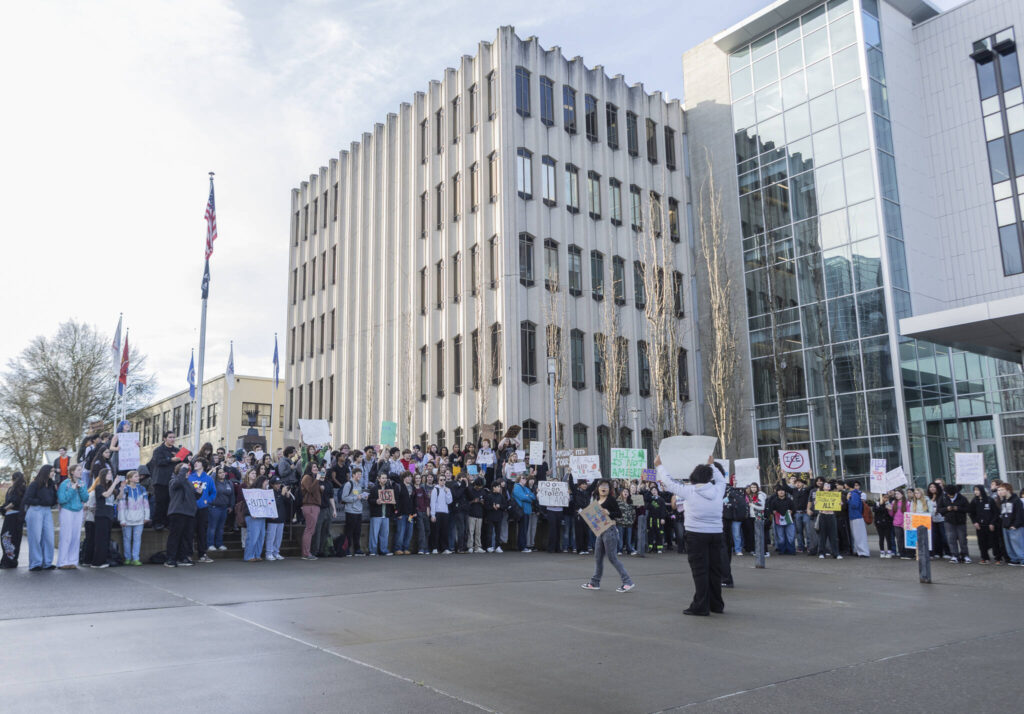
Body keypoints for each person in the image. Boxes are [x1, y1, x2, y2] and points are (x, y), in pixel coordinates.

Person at [657, 458, 725, 615]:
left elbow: (668, 482)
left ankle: (701, 605)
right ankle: (717, 604)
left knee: (700, 571)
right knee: (715, 569)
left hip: (696, 534)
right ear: (709, 477)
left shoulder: (689, 490)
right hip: (716, 533)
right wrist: (711, 464)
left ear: (693, 477)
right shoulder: (718, 490)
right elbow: (721, 478)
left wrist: (659, 465)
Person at [580, 479, 636, 593]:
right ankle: (595, 582)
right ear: (598, 488)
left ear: (609, 489)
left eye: (606, 486)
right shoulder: (597, 499)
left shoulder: (611, 500)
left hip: (610, 531)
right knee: (598, 557)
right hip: (600, 531)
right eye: (601, 486)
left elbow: (619, 514)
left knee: (612, 558)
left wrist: (609, 513)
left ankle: (627, 582)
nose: (603, 488)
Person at [23, 465, 58, 571]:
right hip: (35, 510)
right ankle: (35, 563)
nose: (53, 473)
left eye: (54, 471)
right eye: (51, 471)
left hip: (47, 511)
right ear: (45, 472)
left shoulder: (51, 485)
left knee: (49, 538)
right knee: (35, 538)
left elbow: (53, 499)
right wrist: (41, 502)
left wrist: (52, 502)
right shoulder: (34, 484)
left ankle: (47, 563)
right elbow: (27, 499)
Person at [56, 464, 89, 569]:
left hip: (78, 511)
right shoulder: (64, 484)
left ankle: (73, 561)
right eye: (79, 470)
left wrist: (80, 489)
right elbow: (62, 500)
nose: (81, 472)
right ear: (72, 472)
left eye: (81, 470)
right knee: (66, 536)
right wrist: (72, 489)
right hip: (67, 511)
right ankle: (62, 562)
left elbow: (85, 498)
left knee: (76, 536)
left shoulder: (82, 483)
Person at [165, 463, 197, 567]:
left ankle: (183, 557)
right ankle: (170, 559)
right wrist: (183, 469)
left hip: (189, 512)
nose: (187, 473)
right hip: (178, 512)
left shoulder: (189, 483)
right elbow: (177, 483)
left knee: (186, 537)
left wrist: (199, 493)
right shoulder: (174, 480)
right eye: (185, 471)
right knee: (175, 536)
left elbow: (192, 497)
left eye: (188, 471)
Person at [89, 468, 123, 568]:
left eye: (111, 473)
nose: (110, 475)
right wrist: (115, 483)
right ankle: (96, 562)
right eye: (108, 473)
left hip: (109, 515)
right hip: (101, 515)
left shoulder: (110, 487)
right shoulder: (99, 487)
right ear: (103, 475)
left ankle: (103, 560)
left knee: (106, 539)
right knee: (100, 539)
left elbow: (119, 497)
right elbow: (106, 494)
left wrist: (121, 488)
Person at [151, 430, 183, 530]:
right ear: (165, 438)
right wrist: (171, 459)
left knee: (172, 502)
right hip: (161, 481)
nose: (172, 439)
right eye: (170, 437)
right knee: (161, 502)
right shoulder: (158, 450)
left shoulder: (178, 450)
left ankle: (168, 522)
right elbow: (158, 462)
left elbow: (183, 463)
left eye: (174, 437)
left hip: (173, 481)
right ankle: (157, 522)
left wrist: (186, 459)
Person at [118, 470, 150, 566]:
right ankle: (127, 558)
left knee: (137, 539)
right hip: (127, 519)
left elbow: (146, 504)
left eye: (138, 476)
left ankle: (136, 558)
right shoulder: (125, 489)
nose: (138, 478)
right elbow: (121, 505)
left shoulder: (142, 489)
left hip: (139, 519)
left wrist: (147, 516)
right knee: (127, 539)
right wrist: (122, 519)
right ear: (130, 478)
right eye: (136, 476)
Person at [189, 459, 216, 563]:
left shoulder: (208, 479)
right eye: (195, 462)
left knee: (202, 532)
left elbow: (213, 493)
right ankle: (188, 554)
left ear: (203, 465)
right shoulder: (190, 477)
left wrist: (207, 501)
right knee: (189, 532)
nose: (195, 464)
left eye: (198, 462)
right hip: (191, 509)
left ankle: (202, 554)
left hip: (203, 509)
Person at [938, 484, 970, 564]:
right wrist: (947, 509)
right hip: (949, 521)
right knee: (951, 539)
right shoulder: (943, 498)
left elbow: (968, 508)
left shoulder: (962, 498)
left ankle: (965, 555)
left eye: (952, 495)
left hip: (961, 521)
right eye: (949, 494)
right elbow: (939, 509)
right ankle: (954, 555)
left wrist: (958, 508)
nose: (950, 496)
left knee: (962, 539)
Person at [341, 462, 368, 556]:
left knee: (357, 532)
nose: (360, 476)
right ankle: (347, 549)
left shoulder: (359, 485)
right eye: (358, 474)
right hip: (350, 511)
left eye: (361, 474)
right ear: (353, 475)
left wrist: (364, 497)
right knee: (349, 531)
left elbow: (358, 496)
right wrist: (357, 498)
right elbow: (344, 498)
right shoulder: (348, 484)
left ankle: (357, 549)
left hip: (358, 511)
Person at [1, 472, 27, 569]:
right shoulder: (11, 489)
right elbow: (8, 502)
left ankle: (10, 561)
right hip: (10, 516)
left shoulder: (21, 488)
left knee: (9, 537)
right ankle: (9, 559)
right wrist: (3, 508)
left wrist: (4, 508)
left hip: (15, 516)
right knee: (8, 537)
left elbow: (14, 502)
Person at [243, 476, 271, 561]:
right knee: (253, 536)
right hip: (252, 516)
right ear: (262, 482)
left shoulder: (264, 492)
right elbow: (248, 503)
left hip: (261, 516)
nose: (267, 484)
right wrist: (251, 512)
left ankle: (257, 554)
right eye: (266, 482)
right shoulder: (252, 490)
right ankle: (249, 556)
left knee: (260, 537)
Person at [367, 470, 395, 556]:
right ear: (378, 479)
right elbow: (369, 500)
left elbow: (393, 501)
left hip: (385, 514)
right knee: (374, 534)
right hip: (376, 514)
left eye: (385, 478)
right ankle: (372, 550)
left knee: (384, 534)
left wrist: (392, 501)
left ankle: (384, 550)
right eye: (382, 478)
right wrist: (376, 501)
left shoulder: (389, 488)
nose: (384, 479)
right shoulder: (374, 488)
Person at [810, 481, 841, 560]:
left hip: (831, 516)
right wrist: (816, 503)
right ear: (823, 487)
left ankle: (836, 553)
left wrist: (840, 503)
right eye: (826, 485)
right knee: (822, 535)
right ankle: (821, 552)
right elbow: (814, 507)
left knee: (833, 536)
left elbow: (838, 505)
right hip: (822, 516)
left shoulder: (834, 495)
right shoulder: (819, 494)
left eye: (828, 485)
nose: (827, 486)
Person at [207, 467, 235, 551]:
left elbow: (232, 496)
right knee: (212, 527)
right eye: (219, 472)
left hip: (224, 508)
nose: (222, 474)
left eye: (223, 472)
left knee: (221, 527)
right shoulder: (214, 482)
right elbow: (210, 479)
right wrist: (214, 472)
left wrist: (231, 506)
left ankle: (219, 544)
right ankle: (210, 544)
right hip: (214, 507)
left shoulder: (229, 483)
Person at [265, 477, 293, 560]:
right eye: (276, 483)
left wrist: (287, 495)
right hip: (273, 519)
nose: (279, 485)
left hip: (281, 518)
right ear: (272, 484)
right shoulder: (270, 492)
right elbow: (274, 504)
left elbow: (288, 503)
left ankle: (276, 552)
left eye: (279, 483)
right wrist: (282, 494)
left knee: (278, 537)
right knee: (271, 537)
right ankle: (269, 553)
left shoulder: (280, 492)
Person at [969, 484, 998, 564]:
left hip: (990, 525)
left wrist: (992, 523)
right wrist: (974, 522)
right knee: (981, 543)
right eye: (975, 490)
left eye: (977, 490)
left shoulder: (989, 500)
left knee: (993, 542)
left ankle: (997, 558)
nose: (976, 492)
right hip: (980, 526)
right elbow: (971, 513)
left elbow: (995, 513)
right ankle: (984, 558)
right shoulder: (974, 501)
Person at [996, 483, 1024, 565]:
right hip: (1006, 526)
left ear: (1008, 490)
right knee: (1009, 545)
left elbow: (1019, 514)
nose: (999, 492)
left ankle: (1022, 559)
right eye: (998, 490)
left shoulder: (1016, 500)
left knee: (1018, 544)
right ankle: (1014, 559)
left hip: (1015, 526)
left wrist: (1015, 525)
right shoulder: (1003, 501)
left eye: (1002, 490)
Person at [300, 465, 323, 560]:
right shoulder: (307, 477)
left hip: (314, 505)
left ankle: (307, 552)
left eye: (317, 467)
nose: (316, 468)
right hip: (310, 505)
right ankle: (306, 553)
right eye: (314, 467)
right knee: (309, 530)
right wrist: (317, 480)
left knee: (311, 530)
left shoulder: (314, 478)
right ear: (309, 468)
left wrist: (321, 488)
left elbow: (315, 491)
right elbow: (310, 489)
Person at [767, 484, 796, 555]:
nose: (781, 492)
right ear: (777, 492)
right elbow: (770, 509)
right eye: (779, 491)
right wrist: (773, 512)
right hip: (778, 521)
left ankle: (791, 550)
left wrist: (792, 511)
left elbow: (794, 508)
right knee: (780, 536)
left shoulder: (789, 500)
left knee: (790, 536)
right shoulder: (774, 501)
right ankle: (782, 550)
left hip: (789, 521)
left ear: (785, 492)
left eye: (782, 490)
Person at [512, 475, 537, 552]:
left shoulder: (525, 488)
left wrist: (528, 496)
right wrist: (528, 496)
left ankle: (523, 546)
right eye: (523, 478)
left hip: (526, 511)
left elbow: (533, 497)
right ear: (519, 479)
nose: (525, 479)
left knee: (524, 529)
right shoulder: (517, 487)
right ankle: (522, 547)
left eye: (526, 478)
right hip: (522, 511)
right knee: (522, 530)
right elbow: (523, 497)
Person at [429, 473, 453, 554]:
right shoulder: (435, 489)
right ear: (438, 481)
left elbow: (449, 501)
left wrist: (448, 493)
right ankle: (434, 548)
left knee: (444, 531)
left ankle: (444, 548)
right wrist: (433, 515)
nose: (442, 481)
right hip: (437, 513)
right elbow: (432, 502)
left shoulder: (447, 489)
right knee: (435, 531)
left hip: (445, 513)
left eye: (444, 480)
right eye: (441, 480)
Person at [847, 482, 870, 558]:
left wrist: (848, 500)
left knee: (859, 535)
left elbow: (854, 505)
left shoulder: (854, 494)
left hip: (856, 516)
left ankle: (863, 552)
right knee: (857, 535)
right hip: (855, 516)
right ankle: (859, 551)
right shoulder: (855, 493)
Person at [483, 480, 507, 553]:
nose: (499, 488)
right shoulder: (489, 496)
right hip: (490, 516)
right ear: (493, 487)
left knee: (498, 532)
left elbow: (505, 505)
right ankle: (489, 546)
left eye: (499, 487)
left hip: (499, 516)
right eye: (498, 487)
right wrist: (492, 507)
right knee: (489, 532)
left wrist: (500, 506)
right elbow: (486, 506)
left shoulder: (501, 496)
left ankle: (497, 546)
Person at [465, 477, 487, 553]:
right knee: (471, 531)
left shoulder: (483, 491)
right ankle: (470, 546)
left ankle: (478, 547)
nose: (479, 488)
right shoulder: (470, 490)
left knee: (478, 532)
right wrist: (473, 501)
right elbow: (467, 502)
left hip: (480, 513)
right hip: (471, 513)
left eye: (480, 486)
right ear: (475, 485)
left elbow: (486, 503)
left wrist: (482, 502)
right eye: (478, 486)